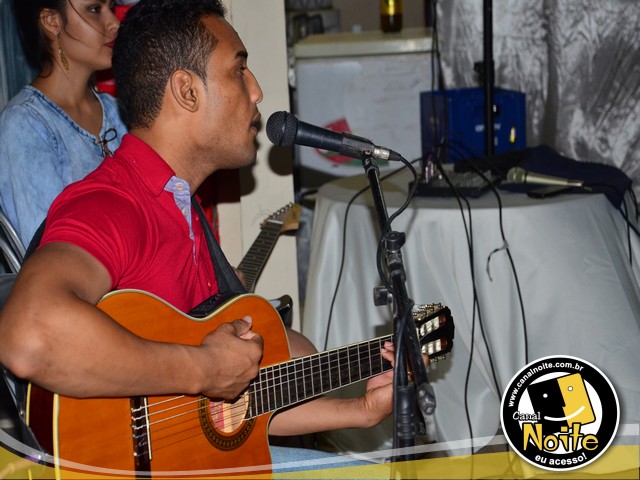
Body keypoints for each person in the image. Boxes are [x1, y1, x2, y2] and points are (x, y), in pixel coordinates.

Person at [0, 0, 414, 473]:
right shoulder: (112, 204)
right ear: (187, 91)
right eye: (239, 71)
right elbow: (27, 334)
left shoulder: (182, 210)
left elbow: (227, 408)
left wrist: (359, 410)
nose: (256, 91)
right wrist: (203, 368)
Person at [0, 0, 127, 248]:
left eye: (111, 8)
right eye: (94, 10)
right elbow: (51, 253)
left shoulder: (118, 111)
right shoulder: (24, 125)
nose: (114, 23)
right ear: (52, 22)